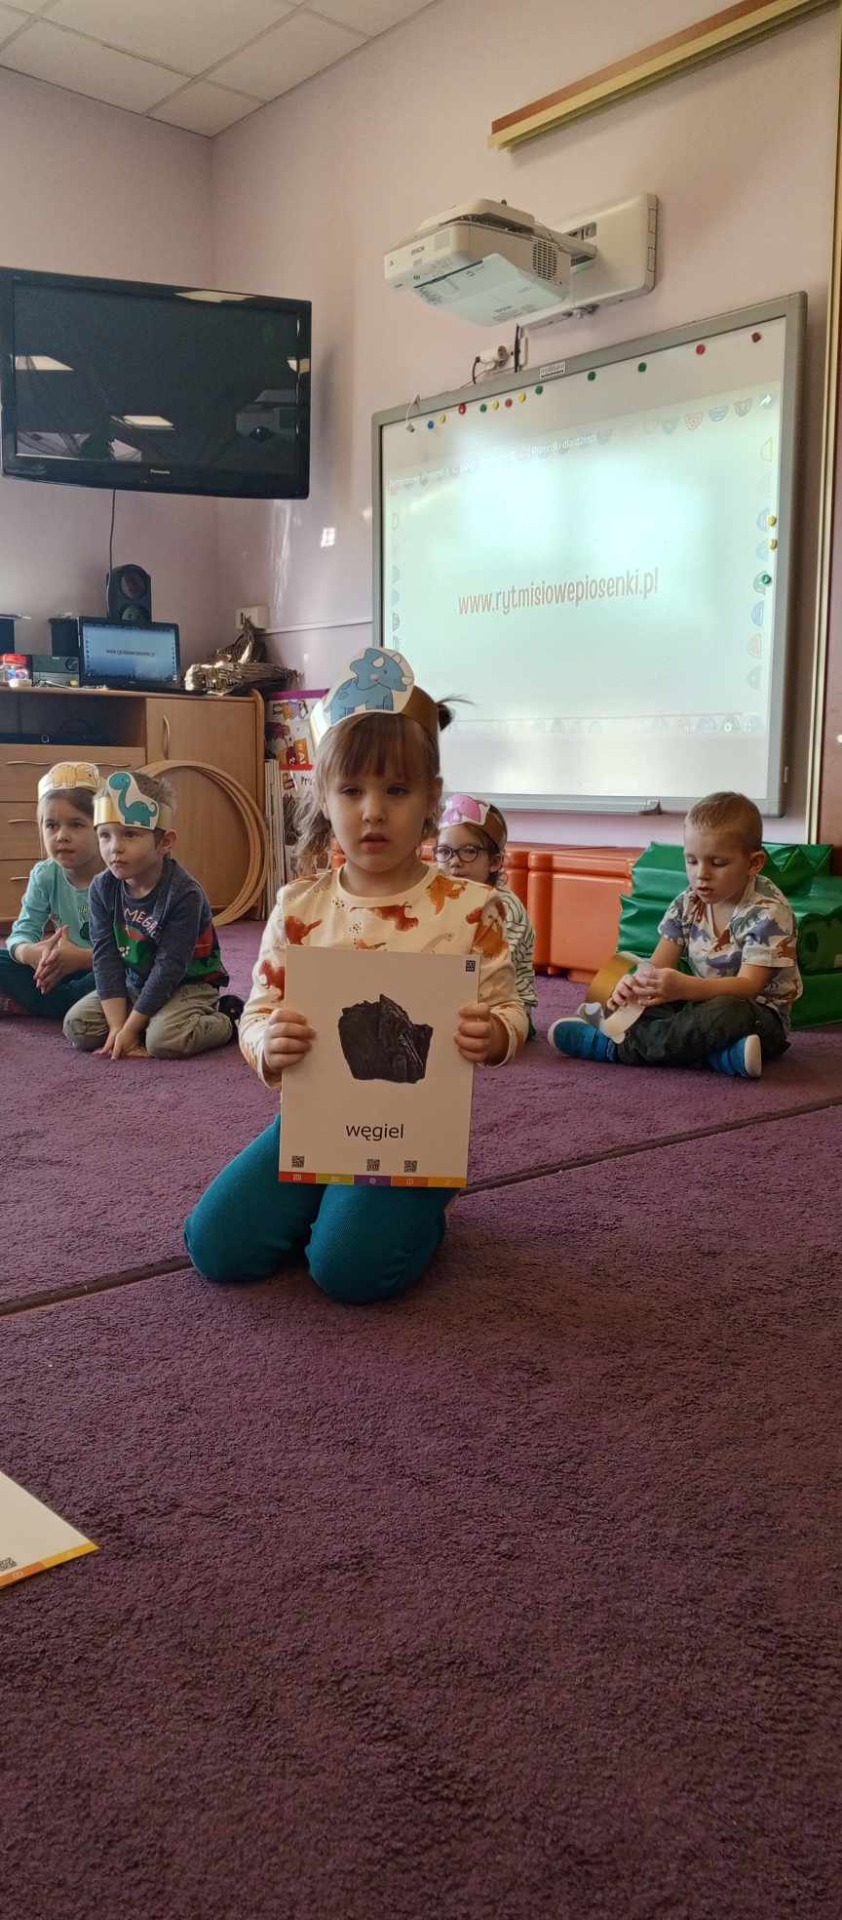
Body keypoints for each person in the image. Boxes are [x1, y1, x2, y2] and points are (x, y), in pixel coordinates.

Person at [185, 648, 528, 1303]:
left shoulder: (470, 909)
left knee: (349, 1272)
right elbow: (258, 1010)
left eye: (396, 790)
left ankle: (420, 1214)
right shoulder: (299, 906)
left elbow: (509, 1009)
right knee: (217, 1246)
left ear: (431, 799)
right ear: (324, 796)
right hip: (316, 1117)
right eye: (352, 791)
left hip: (414, 1127)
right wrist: (265, 1044)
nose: (373, 811)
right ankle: (335, 1203)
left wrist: (495, 1034)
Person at [548, 791, 802, 1079]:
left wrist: (684, 987)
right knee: (637, 1000)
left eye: (718, 863)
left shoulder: (768, 912)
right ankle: (721, 1057)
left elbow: (748, 987)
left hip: (757, 1017)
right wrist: (635, 986)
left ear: (754, 863)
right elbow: (658, 966)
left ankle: (613, 1047)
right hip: (698, 1007)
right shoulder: (688, 902)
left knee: (728, 1011)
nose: (701, 874)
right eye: (692, 861)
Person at [63, 769, 242, 1060]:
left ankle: (228, 1018)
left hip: (188, 984)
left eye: (130, 834)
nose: (114, 848)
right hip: (136, 981)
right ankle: (148, 1019)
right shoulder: (102, 888)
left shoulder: (184, 894)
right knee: (78, 1026)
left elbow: (169, 967)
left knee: (164, 1041)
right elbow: (105, 958)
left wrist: (132, 1029)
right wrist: (118, 1027)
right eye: (105, 835)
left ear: (164, 842)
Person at [0, 760, 101, 1020]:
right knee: (4, 959)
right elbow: (22, 932)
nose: (61, 836)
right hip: (59, 968)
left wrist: (82, 959)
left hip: (101, 966)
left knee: (131, 972)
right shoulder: (45, 874)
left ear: (101, 828)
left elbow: (130, 952)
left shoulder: (119, 875)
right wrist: (32, 953)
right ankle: (64, 1004)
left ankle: (45, 1004)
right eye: (51, 825)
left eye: (76, 824)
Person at [434, 793, 538, 1034]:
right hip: (453, 991)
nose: (454, 862)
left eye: (469, 851)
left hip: (503, 1005)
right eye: (445, 851)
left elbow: (497, 973)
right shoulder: (442, 895)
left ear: (494, 862)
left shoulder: (505, 907)